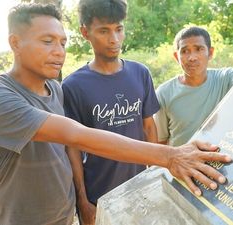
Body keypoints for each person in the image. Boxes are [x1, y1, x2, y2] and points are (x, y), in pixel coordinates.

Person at [0, 4, 232, 225]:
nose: (59, 52)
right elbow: (76, 137)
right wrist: (171, 156)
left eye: (63, 43)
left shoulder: (53, 88)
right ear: (15, 43)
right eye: (47, 41)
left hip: (63, 215)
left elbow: (54, 153)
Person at [61, 0, 159, 224]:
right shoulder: (73, 86)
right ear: (85, 32)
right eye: (104, 31)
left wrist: (154, 177)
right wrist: (83, 201)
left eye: (119, 29)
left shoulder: (140, 73)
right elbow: (72, 148)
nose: (114, 39)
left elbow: (149, 127)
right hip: (100, 195)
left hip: (140, 189)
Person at [154, 26, 233, 146]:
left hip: (221, 161)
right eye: (185, 51)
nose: (192, 57)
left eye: (199, 49)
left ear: (210, 53)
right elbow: (160, 141)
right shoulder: (164, 93)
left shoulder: (225, 78)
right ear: (176, 57)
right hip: (182, 163)